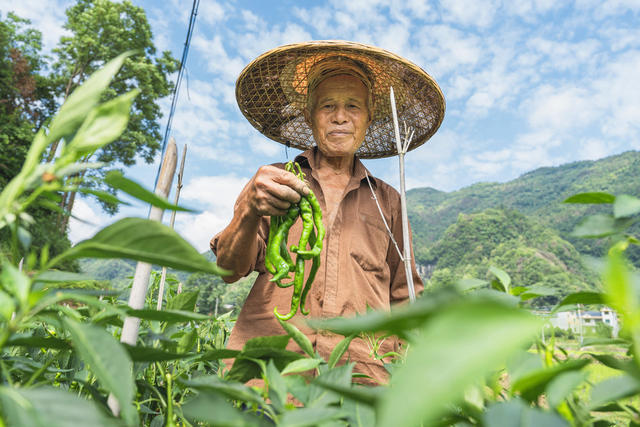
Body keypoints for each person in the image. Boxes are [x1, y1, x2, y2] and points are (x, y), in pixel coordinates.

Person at [211, 41, 445, 385]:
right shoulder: (274, 182)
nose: (340, 116)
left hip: (361, 381)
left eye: (353, 106)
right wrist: (247, 208)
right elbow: (229, 271)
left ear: (368, 118)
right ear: (310, 116)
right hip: (267, 376)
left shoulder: (389, 202)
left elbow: (405, 298)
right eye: (327, 106)